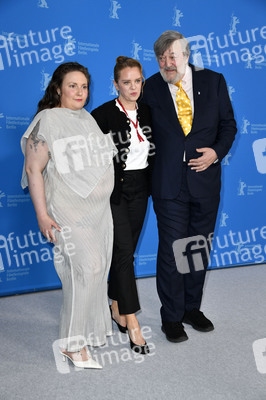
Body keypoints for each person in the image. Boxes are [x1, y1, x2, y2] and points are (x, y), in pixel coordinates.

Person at [142, 31, 237, 342]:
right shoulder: (150, 87)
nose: (167, 63)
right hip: (168, 184)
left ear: (186, 55)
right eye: (161, 58)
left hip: (205, 181)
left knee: (196, 249)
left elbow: (228, 125)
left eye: (173, 56)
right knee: (172, 250)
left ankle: (190, 309)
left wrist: (216, 152)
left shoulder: (214, 81)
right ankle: (171, 316)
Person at [21, 62, 117, 368]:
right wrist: (42, 215)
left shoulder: (87, 118)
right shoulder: (47, 119)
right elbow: (33, 169)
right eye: (72, 85)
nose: (79, 92)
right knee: (86, 270)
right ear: (58, 88)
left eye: (84, 86)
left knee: (95, 271)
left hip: (97, 212)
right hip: (66, 210)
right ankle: (71, 346)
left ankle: (82, 335)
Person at [91, 56, 154, 354]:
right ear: (115, 84)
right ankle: (132, 321)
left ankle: (115, 305)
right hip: (114, 192)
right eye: (126, 82)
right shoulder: (101, 114)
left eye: (137, 81)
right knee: (124, 253)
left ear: (143, 81)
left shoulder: (150, 112)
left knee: (122, 253)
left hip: (142, 190)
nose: (133, 87)